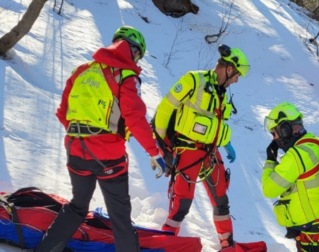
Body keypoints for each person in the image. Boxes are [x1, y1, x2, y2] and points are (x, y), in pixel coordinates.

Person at [35, 26, 166, 252]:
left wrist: (83, 134)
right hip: (108, 156)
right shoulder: (126, 76)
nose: (137, 60)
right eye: (138, 55)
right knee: (120, 215)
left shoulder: (82, 71)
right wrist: (154, 152)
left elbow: (62, 112)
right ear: (133, 50)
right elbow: (135, 117)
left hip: (75, 149)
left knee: (77, 206)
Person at [153, 44, 249, 249]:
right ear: (229, 69)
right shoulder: (193, 80)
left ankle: (227, 244)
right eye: (236, 75)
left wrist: (227, 143)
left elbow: (214, 126)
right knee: (182, 205)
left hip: (210, 154)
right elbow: (163, 110)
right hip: (187, 151)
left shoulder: (222, 93)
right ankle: (163, 243)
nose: (237, 80)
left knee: (221, 201)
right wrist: (163, 149)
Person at [261, 102, 319, 252]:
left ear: (284, 130)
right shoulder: (316, 142)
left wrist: (270, 160)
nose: (274, 139)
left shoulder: (297, 156)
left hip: (315, 231)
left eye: (274, 133)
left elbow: (269, 189)